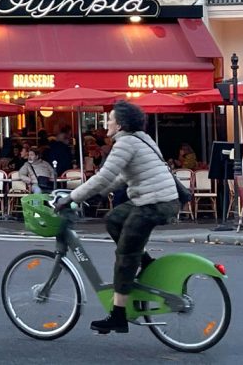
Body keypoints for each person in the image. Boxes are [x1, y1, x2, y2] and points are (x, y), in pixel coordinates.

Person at [55, 100, 180, 335]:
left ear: (120, 124)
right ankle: (145, 263)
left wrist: (72, 197)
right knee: (114, 219)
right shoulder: (142, 138)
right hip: (158, 200)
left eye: (110, 119)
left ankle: (118, 316)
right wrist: (100, 193)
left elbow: (103, 176)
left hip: (153, 204)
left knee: (124, 256)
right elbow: (121, 177)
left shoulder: (125, 144)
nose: (107, 122)